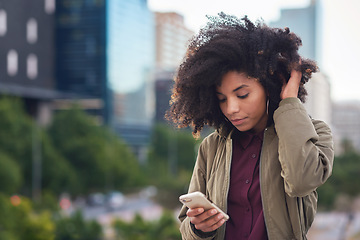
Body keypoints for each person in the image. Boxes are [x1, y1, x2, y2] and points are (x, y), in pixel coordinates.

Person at [166, 12, 334, 240]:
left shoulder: (316, 133)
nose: (231, 108)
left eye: (242, 94)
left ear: (270, 86)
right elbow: (186, 226)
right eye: (222, 99)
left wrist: (289, 103)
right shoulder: (212, 146)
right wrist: (199, 228)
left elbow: (301, 181)